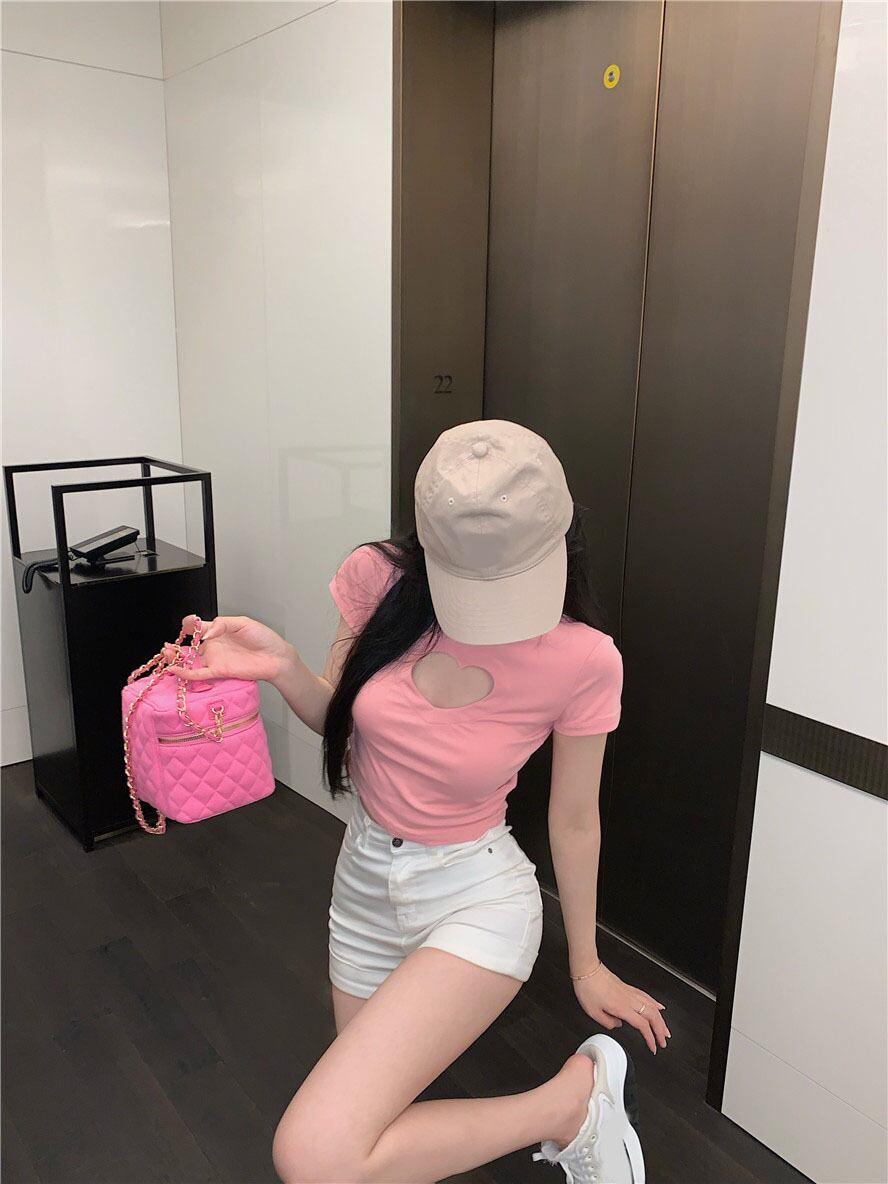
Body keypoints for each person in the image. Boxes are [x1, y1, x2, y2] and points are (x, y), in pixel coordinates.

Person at [166, 419, 669, 1184]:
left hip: (476, 892)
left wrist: (587, 965)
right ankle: (573, 1106)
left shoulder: (584, 658)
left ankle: (571, 1103)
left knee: (318, 1155)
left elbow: (573, 819)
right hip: (363, 888)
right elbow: (345, 724)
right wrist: (283, 666)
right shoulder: (378, 579)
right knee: (367, 1147)